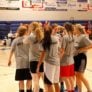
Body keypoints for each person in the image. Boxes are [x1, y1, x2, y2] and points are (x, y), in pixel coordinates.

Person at [8, 25, 32, 92]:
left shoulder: (15, 40)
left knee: (21, 80)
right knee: (29, 79)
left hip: (20, 64)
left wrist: (9, 60)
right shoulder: (28, 39)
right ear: (25, 31)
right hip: (28, 63)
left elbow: (11, 51)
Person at [37, 25, 60, 92]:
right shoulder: (56, 38)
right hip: (57, 62)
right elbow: (59, 50)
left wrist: (38, 65)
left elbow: (42, 54)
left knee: (49, 83)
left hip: (49, 64)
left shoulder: (43, 41)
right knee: (56, 82)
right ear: (51, 30)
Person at [23, 22, 44, 92]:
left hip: (33, 61)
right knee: (39, 79)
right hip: (41, 60)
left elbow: (24, 41)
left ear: (32, 28)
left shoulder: (31, 37)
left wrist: (28, 33)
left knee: (35, 80)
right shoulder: (42, 36)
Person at [74, 24, 92, 92]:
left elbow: (91, 45)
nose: (74, 29)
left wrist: (82, 49)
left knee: (80, 75)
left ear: (78, 29)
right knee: (77, 75)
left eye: (75, 28)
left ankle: (89, 89)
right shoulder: (76, 36)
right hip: (75, 57)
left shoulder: (83, 37)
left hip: (81, 57)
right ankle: (80, 90)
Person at [60, 22, 75, 92]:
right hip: (71, 59)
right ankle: (72, 90)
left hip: (65, 60)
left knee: (65, 78)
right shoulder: (73, 36)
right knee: (70, 77)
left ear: (65, 28)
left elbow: (62, 51)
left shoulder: (65, 37)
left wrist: (58, 59)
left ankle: (69, 90)